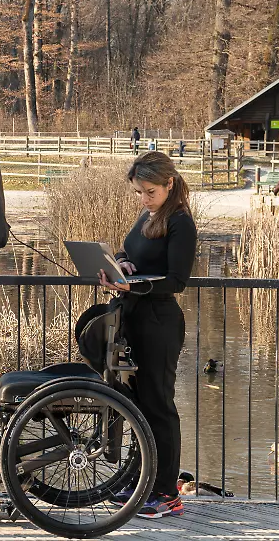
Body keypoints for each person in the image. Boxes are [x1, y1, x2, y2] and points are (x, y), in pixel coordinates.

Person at [99, 151, 197, 519]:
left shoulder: (180, 222)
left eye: (150, 191)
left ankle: (167, 492)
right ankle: (143, 480)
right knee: (139, 406)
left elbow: (177, 280)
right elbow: (131, 249)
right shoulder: (149, 215)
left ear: (169, 184)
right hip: (135, 319)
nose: (143, 198)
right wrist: (122, 263)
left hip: (159, 322)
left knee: (160, 407)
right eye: (139, 192)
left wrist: (133, 287)